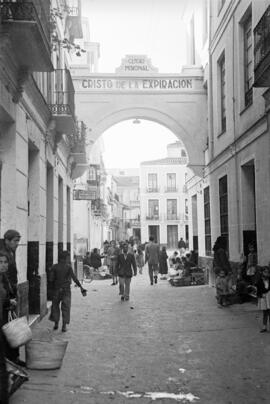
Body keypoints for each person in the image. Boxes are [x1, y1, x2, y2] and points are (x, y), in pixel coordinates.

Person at [0, 230, 23, 366]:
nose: (17, 244)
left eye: (18, 241)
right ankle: (10, 360)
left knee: (13, 328)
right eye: (15, 241)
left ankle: (14, 358)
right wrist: (10, 297)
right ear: (7, 240)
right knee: (8, 330)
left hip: (10, 294)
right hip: (6, 297)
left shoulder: (10, 251)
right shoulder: (3, 253)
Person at [49, 251, 87, 332]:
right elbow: (74, 278)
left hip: (56, 289)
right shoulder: (68, 267)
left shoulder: (54, 267)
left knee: (55, 306)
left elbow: (51, 279)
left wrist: (52, 289)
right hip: (66, 290)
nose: (69, 259)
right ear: (65, 258)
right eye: (68, 257)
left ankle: (56, 324)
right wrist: (81, 287)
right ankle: (64, 326)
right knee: (66, 307)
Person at [256, 266, 270, 333]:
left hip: (269, 297)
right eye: (265, 272)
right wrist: (260, 295)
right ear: (262, 272)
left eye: (267, 272)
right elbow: (259, 290)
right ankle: (264, 326)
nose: (266, 274)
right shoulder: (260, 281)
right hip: (264, 298)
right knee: (265, 313)